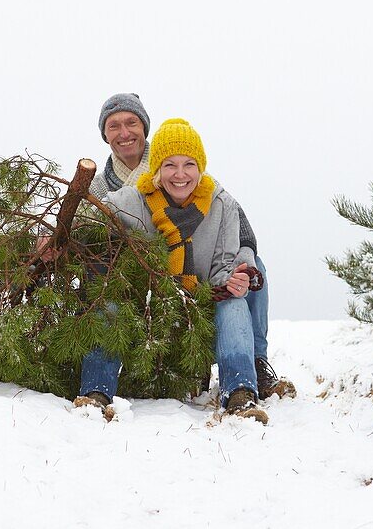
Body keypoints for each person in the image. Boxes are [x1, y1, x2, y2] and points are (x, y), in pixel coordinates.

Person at [88, 93, 295, 400]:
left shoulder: (204, 189)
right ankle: (104, 381)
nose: (124, 132)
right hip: (146, 290)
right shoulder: (104, 186)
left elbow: (239, 230)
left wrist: (240, 271)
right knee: (105, 287)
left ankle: (254, 363)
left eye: (131, 122)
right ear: (104, 134)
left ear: (145, 128)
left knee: (249, 271)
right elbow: (85, 215)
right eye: (114, 125)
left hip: (198, 282)